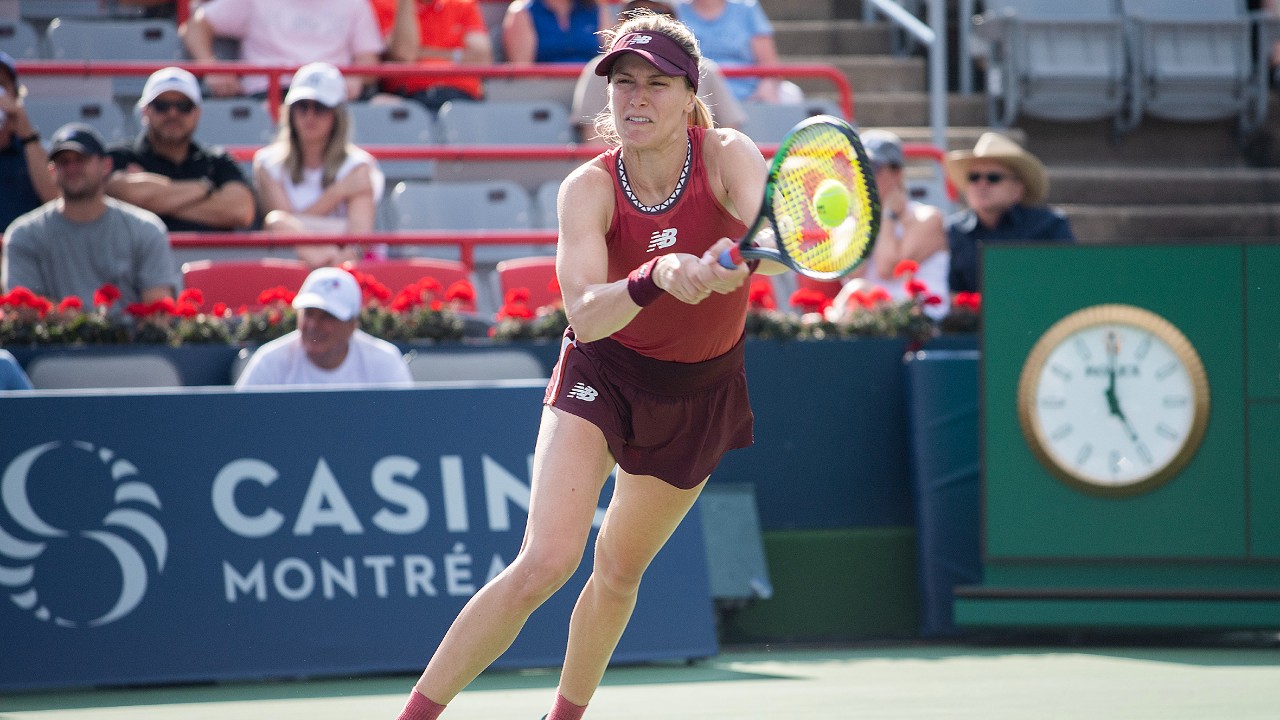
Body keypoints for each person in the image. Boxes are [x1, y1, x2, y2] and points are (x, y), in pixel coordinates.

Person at [393, 11, 783, 720]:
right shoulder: (589, 188)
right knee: (547, 560)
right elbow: (584, 313)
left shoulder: (730, 155)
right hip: (601, 372)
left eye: (656, 84)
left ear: (689, 91)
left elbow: (758, 238)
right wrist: (655, 277)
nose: (635, 98)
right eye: (623, 83)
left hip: (697, 390)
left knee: (619, 572)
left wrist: (728, 267)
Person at [2, 123, 181, 307]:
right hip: (51, 337)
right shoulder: (23, 234)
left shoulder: (146, 229)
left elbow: (158, 310)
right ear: (52, 171)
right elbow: (22, 309)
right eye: (64, 162)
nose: (72, 168)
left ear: (106, 165)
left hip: (130, 336)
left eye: (81, 159)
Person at [252, 62, 386, 269]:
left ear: (337, 115)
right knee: (277, 221)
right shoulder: (267, 164)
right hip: (292, 268)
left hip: (348, 268)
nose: (309, 116)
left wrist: (308, 237)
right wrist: (336, 194)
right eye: (302, 106)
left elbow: (358, 241)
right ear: (289, 111)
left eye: (320, 107)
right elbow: (282, 228)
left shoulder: (359, 165)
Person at [105, 66, 257, 233]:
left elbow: (241, 211)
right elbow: (117, 191)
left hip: (209, 258)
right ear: (145, 111)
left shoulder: (217, 160)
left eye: (183, 106)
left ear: (197, 112)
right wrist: (204, 187)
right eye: (162, 105)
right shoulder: (119, 155)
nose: (173, 113)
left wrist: (151, 201)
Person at [571, 0, 746, 143]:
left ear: (691, 98)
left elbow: (729, 140)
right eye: (635, 13)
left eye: (658, 83)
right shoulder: (598, 69)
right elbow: (593, 144)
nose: (638, 99)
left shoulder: (708, 70)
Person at [830, 129, 949, 320]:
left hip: (921, 326)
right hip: (868, 326)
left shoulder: (928, 218)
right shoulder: (847, 225)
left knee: (857, 289)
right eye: (858, 167)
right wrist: (866, 214)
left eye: (872, 167)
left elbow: (888, 269)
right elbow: (853, 271)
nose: (864, 176)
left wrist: (887, 214)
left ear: (898, 172)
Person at [236, 266, 412, 388]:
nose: (313, 325)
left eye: (328, 316)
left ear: (351, 325)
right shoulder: (269, 362)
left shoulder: (385, 362)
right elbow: (238, 426)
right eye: (309, 313)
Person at [945, 131, 1074, 295]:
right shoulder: (955, 231)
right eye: (974, 177)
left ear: (1018, 189)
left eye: (993, 178)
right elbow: (953, 294)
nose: (982, 184)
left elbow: (1069, 282)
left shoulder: (1049, 225)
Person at [180, 0, 384, 100]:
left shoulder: (354, 4)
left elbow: (368, 63)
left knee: (386, 107)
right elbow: (196, 25)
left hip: (330, 97)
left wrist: (355, 78)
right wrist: (211, 67)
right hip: (266, 97)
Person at [370, 0, 494, 114]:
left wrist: (420, 53)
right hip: (408, 99)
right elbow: (405, 54)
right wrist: (458, 55)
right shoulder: (383, 4)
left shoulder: (462, 4)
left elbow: (482, 59)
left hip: (463, 98)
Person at [676, 0, 801, 104]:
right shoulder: (674, 10)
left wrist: (765, 88)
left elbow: (769, 64)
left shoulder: (747, 9)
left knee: (790, 94)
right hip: (699, 92)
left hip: (749, 93)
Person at [0, 51, 57, 235]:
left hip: (28, 258)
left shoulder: (37, 151)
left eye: (1, 86)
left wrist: (27, 134)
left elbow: (55, 200)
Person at [501, 0, 611, 64]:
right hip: (543, 95)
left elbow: (610, 57)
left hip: (593, 92)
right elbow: (523, 74)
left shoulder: (596, 8)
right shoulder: (522, 12)